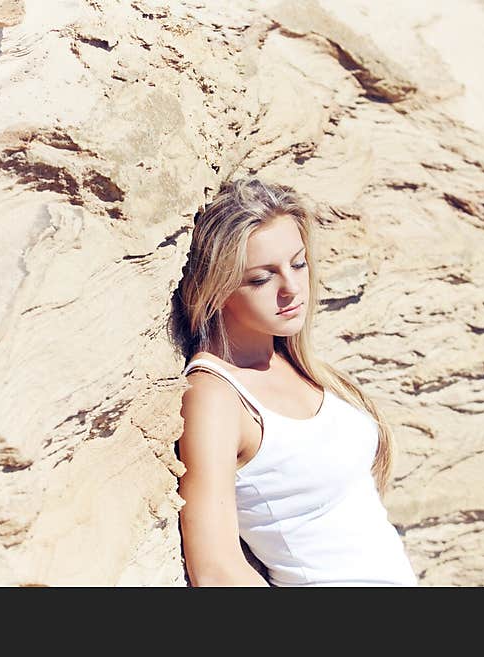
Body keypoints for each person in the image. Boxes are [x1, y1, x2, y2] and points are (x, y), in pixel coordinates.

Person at [170, 177, 418, 587]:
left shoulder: (293, 364)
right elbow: (215, 570)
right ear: (217, 289)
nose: (291, 289)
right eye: (261, 278)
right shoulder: (215, 396)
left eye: (298, 264)